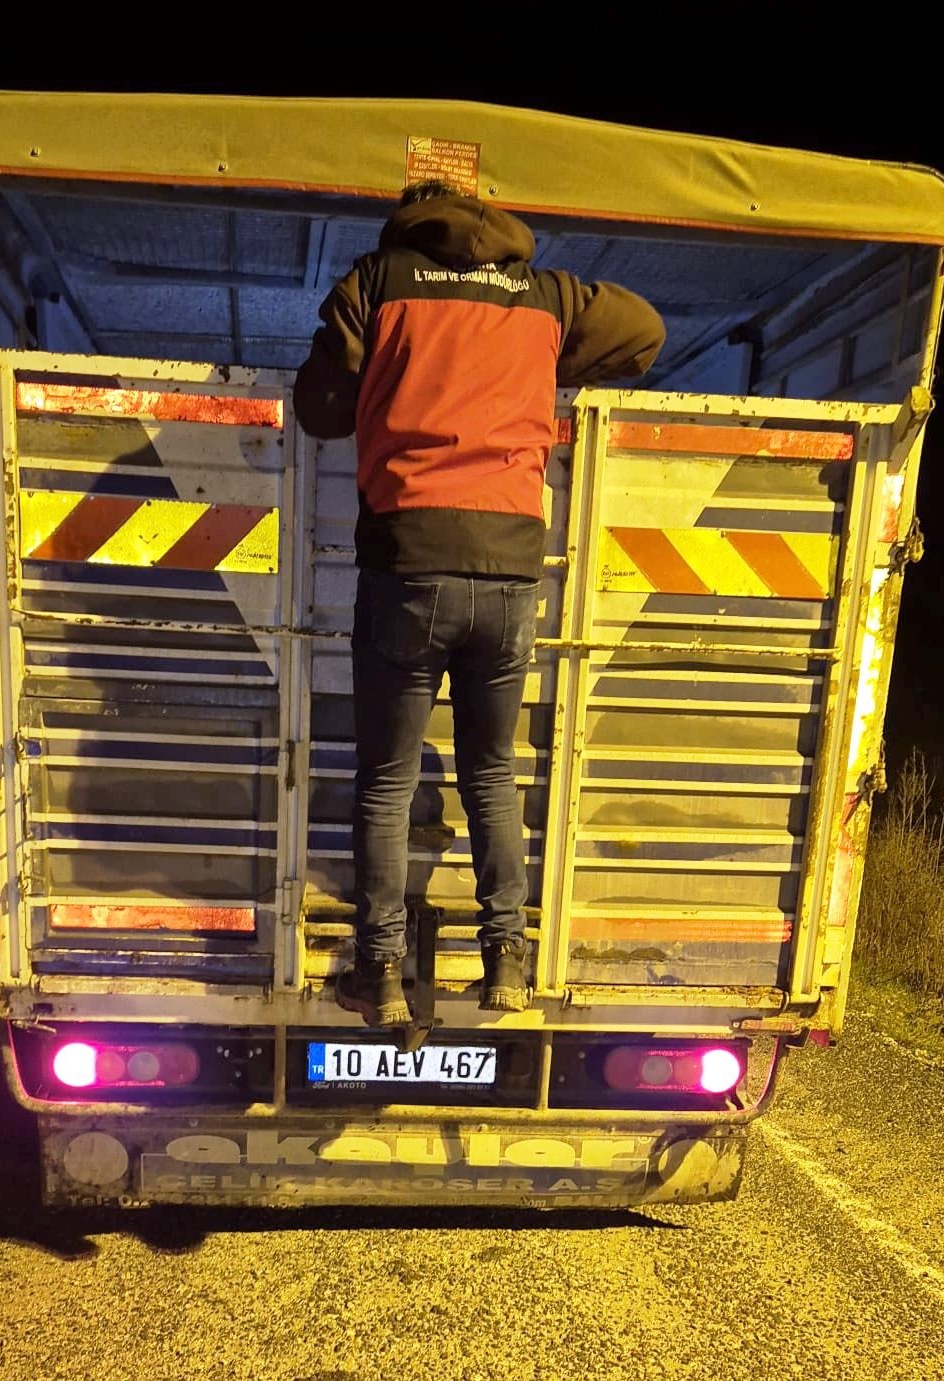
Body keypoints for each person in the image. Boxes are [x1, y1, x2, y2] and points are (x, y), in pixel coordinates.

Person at [294, 180, 665, 1027]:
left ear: (411, 222)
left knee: (387, 782)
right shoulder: (546, 295)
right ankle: (507, 961)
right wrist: (543, 362)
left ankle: (380, 970)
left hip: (409, 564)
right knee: (491, 772)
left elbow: (317, 408)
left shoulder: (378, 282)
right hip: (508, 574)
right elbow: (646, 332)